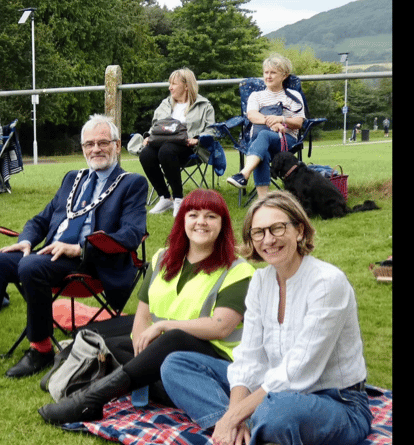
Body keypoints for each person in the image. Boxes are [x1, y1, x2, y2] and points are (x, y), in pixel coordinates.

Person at [0, 114, 148, 383]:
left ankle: (41, 348)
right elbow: (42, 219)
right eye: (89, 144)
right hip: (52, 254)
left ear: (117, 146)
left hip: (93, 260)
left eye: (103, 142)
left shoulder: (132, 183)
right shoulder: (73, 178)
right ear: (82, 148)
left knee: (31, 265)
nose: (95, 149)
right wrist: (26, 241)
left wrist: (79, 249)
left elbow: (131, 233)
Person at [161, 191, 372, 445]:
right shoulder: (261, 281)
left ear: (300, 231)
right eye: (258, 232)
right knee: (176, 365)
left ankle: (240, 424)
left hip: (336, 402)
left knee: (278, 413)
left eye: (277, 228)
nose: (268, 240)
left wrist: (232, 415)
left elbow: (299, 370)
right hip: (270, 390)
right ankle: (246, 429)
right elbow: (249, 356)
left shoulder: (327, 283)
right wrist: (235, 413)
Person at [37, 189, 255, 425]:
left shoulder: (238, 269)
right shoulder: (163, 258)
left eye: (211, 216)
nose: (201, 222)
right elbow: (141, 316)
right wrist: (143, 347)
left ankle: (90, 400)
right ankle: (163, 386)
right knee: (114, 345)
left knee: (173, 340)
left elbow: (221, 327)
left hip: (219, 360)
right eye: (193, 215)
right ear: (182, 220)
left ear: (223, 224)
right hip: (167, 350)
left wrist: (163, 326)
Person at [140, 68, 216, 217]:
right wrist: (149, 136)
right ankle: (164, 197)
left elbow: (212, 130)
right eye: (170, 84)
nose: (170, 88)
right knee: (146, 154)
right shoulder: (165, 104)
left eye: (174, 84)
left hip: (189, 148)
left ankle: (178, 199)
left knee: (167, 150)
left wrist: (198, 138)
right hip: (162, 143)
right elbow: (155, 125)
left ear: (186, 86)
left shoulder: (204, 105)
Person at [227, 54, 305, 199]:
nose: (268, 76)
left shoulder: (293, 96)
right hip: (259, 142)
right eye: (266, 72)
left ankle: (244, 174)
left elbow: (299, 122)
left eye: (273, 72)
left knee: (263, 136)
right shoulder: (256, 96)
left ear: (284, 75)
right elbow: (252, 116)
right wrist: (273, 123)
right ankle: (264, 201)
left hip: (286, 141)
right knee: (262, 151)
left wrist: (281, 119)